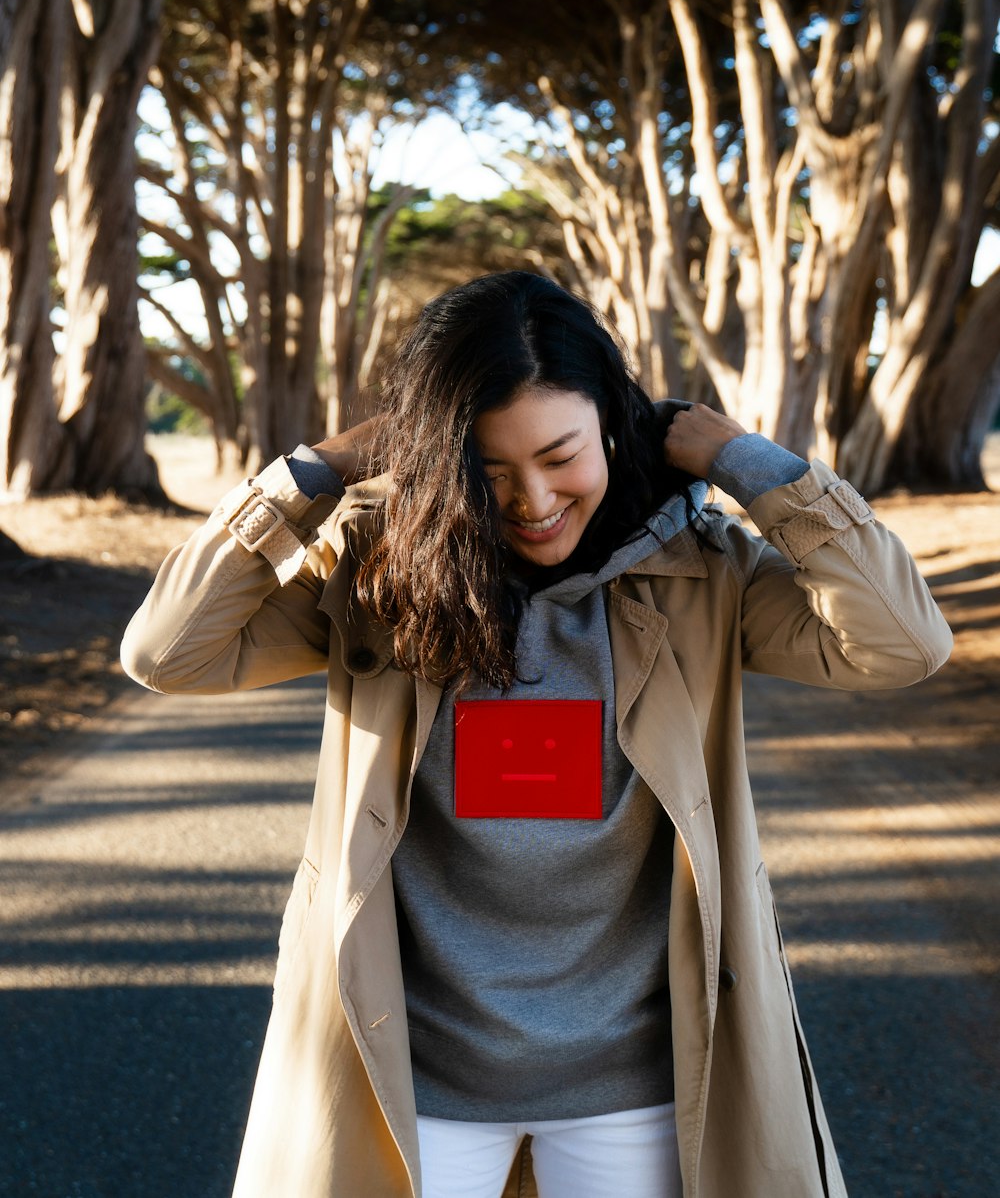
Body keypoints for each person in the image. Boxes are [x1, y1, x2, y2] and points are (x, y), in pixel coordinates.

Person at [121, 270, 951, 1198]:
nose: (532, 497)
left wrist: (752, 464)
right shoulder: (376, 575)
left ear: (612, 425)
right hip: (412, 1082)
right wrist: (312, 472)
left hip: (638, 1087)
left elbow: (901, 643)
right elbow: (166, 652)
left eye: (561, 455)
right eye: (489, 468)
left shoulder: (702, 575)